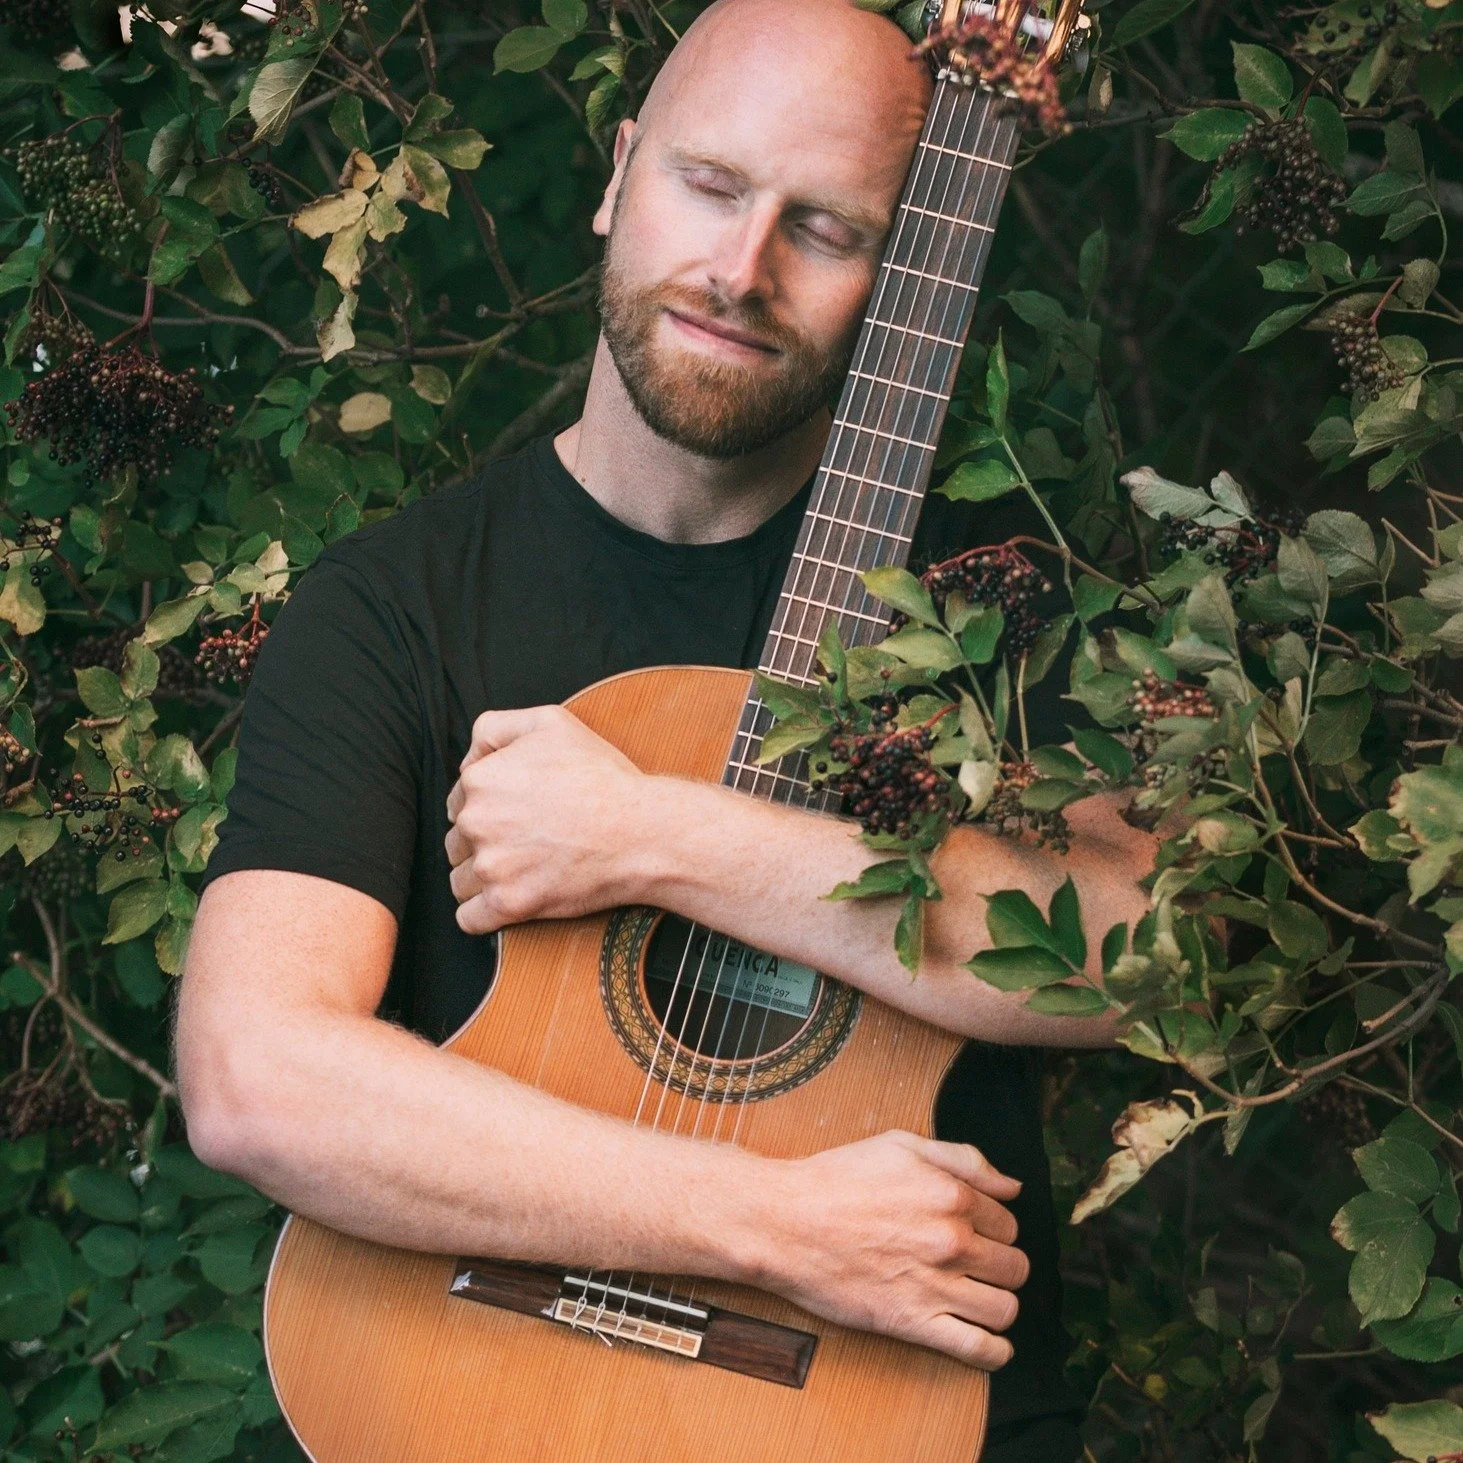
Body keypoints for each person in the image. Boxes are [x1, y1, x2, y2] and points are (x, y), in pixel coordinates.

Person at [176, 0, 1156, 1457]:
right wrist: (776, 1225)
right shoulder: (396, 608)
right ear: (618, 172)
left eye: (823, 229)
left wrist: (657, 834)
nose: (739, 271)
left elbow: (1135, 954)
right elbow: (258, 1082)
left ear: (903, 275)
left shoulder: (998, 603)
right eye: (708, 185)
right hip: (481, 1379)